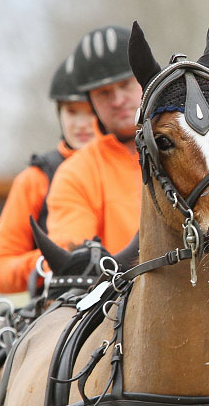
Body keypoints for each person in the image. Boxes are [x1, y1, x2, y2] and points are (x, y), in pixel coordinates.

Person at [0, 54, 99, 294]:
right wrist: (52, 261)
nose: (81, 124)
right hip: (57, 307)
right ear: (60, 114)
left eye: (90, 112)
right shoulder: (34, 179)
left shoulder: (135, 166)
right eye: (71, 112)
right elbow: (0, 270)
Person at [45, 25, 143, 253]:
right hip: (122, 288)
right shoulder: (76, 174)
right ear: (91, 100)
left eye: (125, 85)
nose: (118, 100)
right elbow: (75, 257)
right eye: (104, 92)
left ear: (144, 80)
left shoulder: (193, 145)